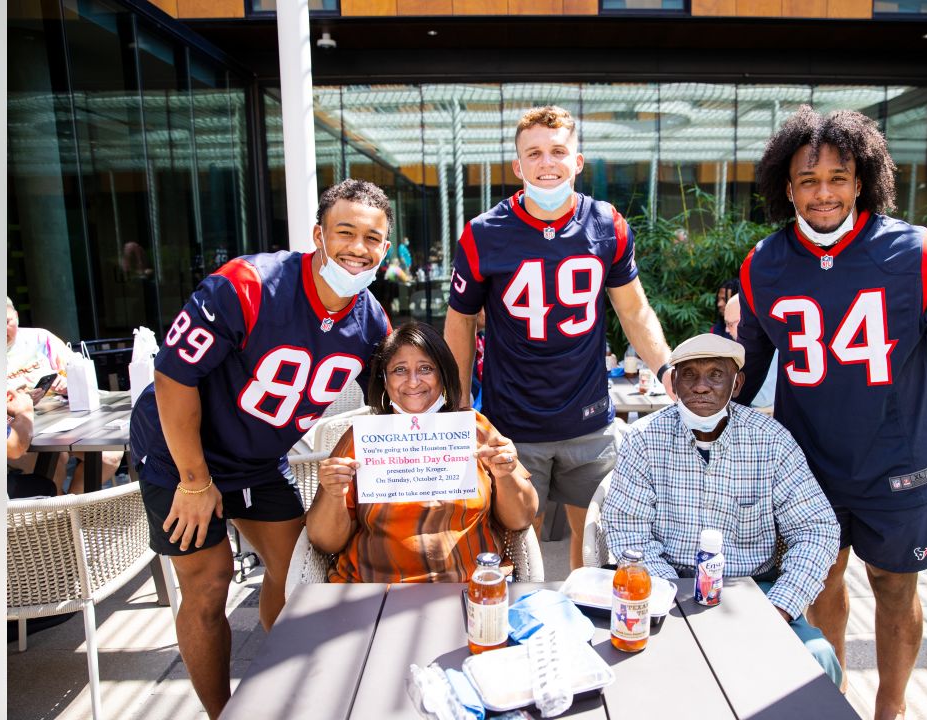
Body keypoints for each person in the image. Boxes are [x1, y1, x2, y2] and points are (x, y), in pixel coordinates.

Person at [735, 105, 927, 719]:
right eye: (808, 180)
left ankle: (892, 709)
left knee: (894, 586)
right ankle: (834, 699)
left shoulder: (916, 252)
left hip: (896, 460)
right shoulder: (763, 263)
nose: (823, 193)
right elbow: (744, 368)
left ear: (862, 179)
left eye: (838, 178)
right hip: (807, 462)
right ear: (786, 186)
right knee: (820, 581)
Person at [128, 179, 396, 718]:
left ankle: (280, 690)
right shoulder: (248, 284)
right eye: (345, 231)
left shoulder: (370, 321)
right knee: (209, 584)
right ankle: (220, 712)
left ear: (385, 249)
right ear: (318, 235)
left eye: (374, 237)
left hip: (256, 459)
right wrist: (194, 481)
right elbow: (172, 378)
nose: (358, 248)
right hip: (178, 453)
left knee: (299, 571)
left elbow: (390, 408)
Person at [445, 105, 674, 570]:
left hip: (587, 418)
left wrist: (668, 368)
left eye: (557, 151)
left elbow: (633, 310)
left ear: (577, 161)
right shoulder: (483, 234)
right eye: (534, 153)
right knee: (518, 544)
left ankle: (582, 624)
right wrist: (458, 402)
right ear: (517, 165)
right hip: (513, 422)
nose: (546, 163)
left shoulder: (607, 225)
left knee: (593, 542)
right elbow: (461, 321)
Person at [601, 333, 841, 684]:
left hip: (755, 591)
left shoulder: (770, 440)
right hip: (665, 591)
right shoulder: (644, 439)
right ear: (673, 381)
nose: (701, 386)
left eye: (716, 374)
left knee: (817, 658)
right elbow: (627, 531)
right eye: (689, 375)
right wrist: (676, 599)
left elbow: (816, 529)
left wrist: (781, 606)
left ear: (737, 383)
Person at [306, 322, 538, 581]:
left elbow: (521, 519)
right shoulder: (362, 439)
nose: (413, 381)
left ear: (444, 375)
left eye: (426, 369)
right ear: (384, 381)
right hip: (372, 590)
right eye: (399, 370)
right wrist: (333, 493)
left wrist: (505, 474)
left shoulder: (475, 429)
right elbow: (325, 543)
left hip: (473, 585)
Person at [5, 297, 121, 494]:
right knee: (56, 461)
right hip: (18, 430)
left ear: (16, 316)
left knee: (109, 456)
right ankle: (59, 519)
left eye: (7, 322)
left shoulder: (40, 339)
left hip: (61, 421)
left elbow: (78, 369)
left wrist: (68, 384)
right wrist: (20, 403)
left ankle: (71, 514)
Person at [722, 295, 777, 412]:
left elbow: (763, 399)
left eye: (729, 324)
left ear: (745, 321)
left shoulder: (764, 351)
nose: (727, 330)